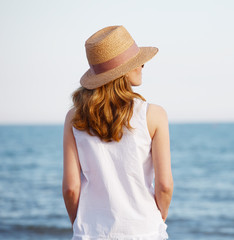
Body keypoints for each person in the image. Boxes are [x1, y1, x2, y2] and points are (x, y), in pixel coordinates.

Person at [62, 25, 173, 240]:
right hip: (144, 231)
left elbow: (70, 189)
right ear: (123, 70)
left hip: (91, 233)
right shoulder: (154, 115)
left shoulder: (75, 118)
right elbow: (165, 185)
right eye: (136, 61)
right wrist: (158, 220)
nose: (142, 64)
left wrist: (79, 225)